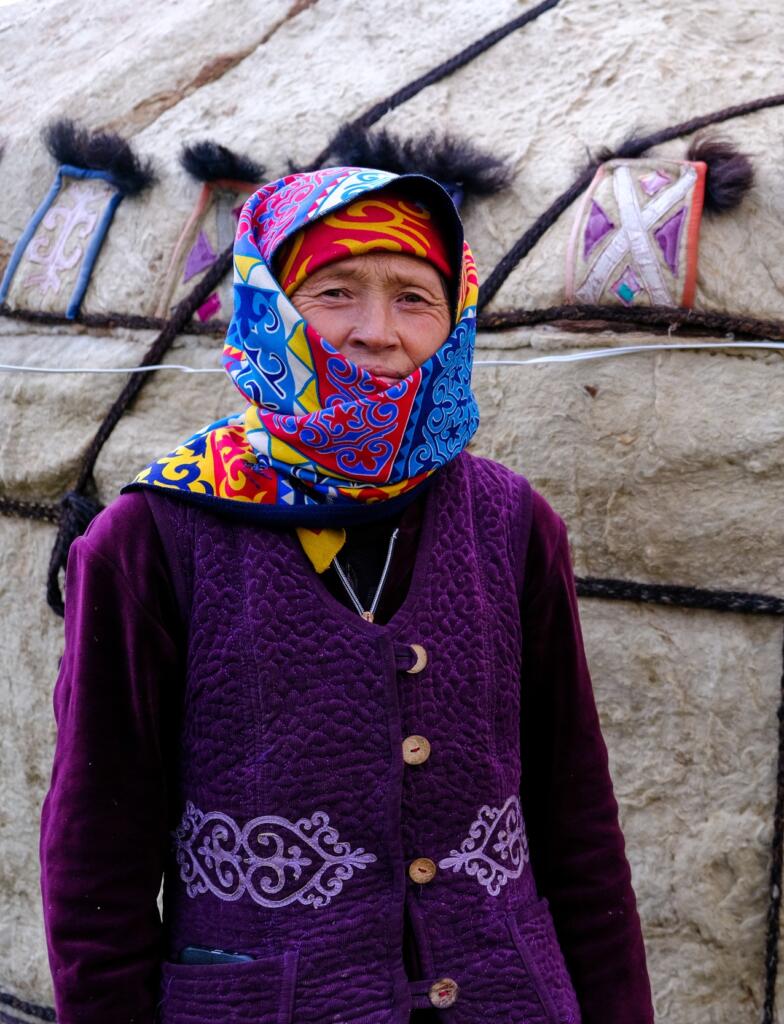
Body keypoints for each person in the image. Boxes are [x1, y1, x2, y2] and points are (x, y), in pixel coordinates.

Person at [38, 167, 653, 1023]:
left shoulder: (513, 527)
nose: (377, 331)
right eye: (334, 291)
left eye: (413, 296)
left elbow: (577, 822)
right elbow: (95, 860)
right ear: (269, 306)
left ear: (456, 316)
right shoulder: (150, 543)